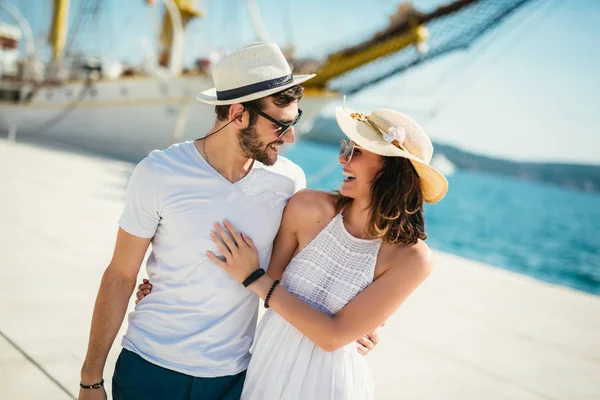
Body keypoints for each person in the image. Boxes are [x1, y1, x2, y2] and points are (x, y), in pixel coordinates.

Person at [78, 42, 377, 400]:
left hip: (234, 380)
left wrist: (356, 321)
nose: (291, 136)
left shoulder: (289, 182)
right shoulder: (159, 172)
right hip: (149, 367)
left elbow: (297, 276)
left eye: (294, 122)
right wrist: (90, 379)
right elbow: (120, 276)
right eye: (281, 125)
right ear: (238, 114)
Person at [138, 105, 449, 399]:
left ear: (392, 170)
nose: (343, 160)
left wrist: (255, 278)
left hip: (333, 384)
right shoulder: (307, 207)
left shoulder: (413, 259)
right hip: (266, 371)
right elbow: (254, 286)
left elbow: (331, 336)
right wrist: (167, 288)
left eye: (356, 152)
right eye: (346, 148)